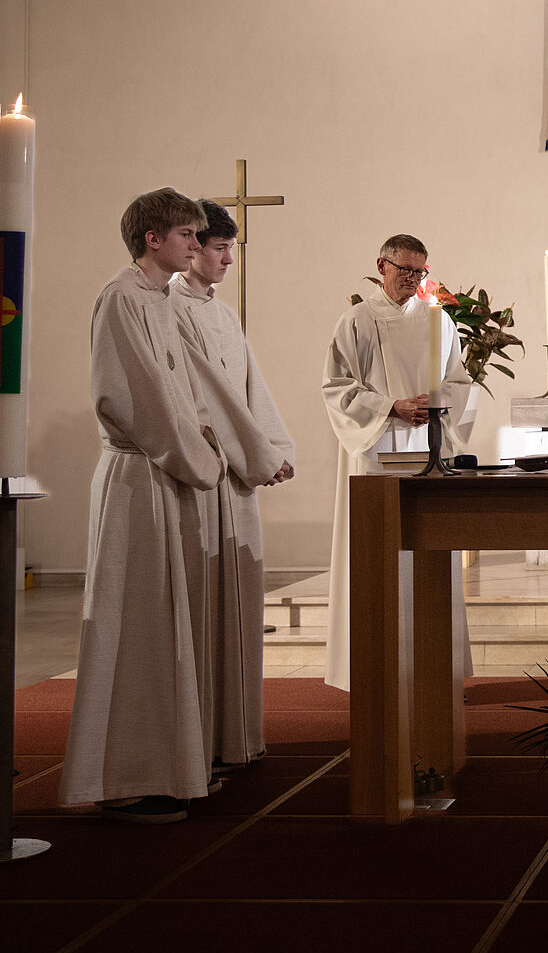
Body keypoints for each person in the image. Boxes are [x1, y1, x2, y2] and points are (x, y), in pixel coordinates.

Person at [61, 189, 224, 824]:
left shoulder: (159, 300)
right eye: (186, 234)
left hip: (165, 473)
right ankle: (123, 777)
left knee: (163, 627)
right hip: (138, 476)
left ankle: (168, 763)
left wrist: (204, 447)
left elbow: (182, 395)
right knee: (133, 625)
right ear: (152, 239)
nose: (195, 244)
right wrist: (202, 459)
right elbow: (137, 401)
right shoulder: (123, 298)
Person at [171, 200, 295, 779]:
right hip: (207, 471)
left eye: (229, 249)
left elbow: (248, 386)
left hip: (237, 473)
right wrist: (259, 456)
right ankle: (204, 739)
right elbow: (208, 399)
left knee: (239, 604)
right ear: (193, 246)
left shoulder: (221, 314)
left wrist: (273, 449)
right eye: (219, 248)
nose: (226, 260)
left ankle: (236, 733)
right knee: (206, 611)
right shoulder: (170, 307)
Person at [320, 233, 475, 691]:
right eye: (404, 269)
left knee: (430, 557)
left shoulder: (439, 321)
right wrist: (392, 407)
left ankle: (433, 670)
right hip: (375, 452)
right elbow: (337, 387)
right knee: (376, 558)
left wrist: (436, 404)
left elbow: (459, 381)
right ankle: (372, 669)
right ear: (381, 266)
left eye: (419, 271)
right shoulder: (356, 321)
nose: (412, 278)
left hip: (427, 448)